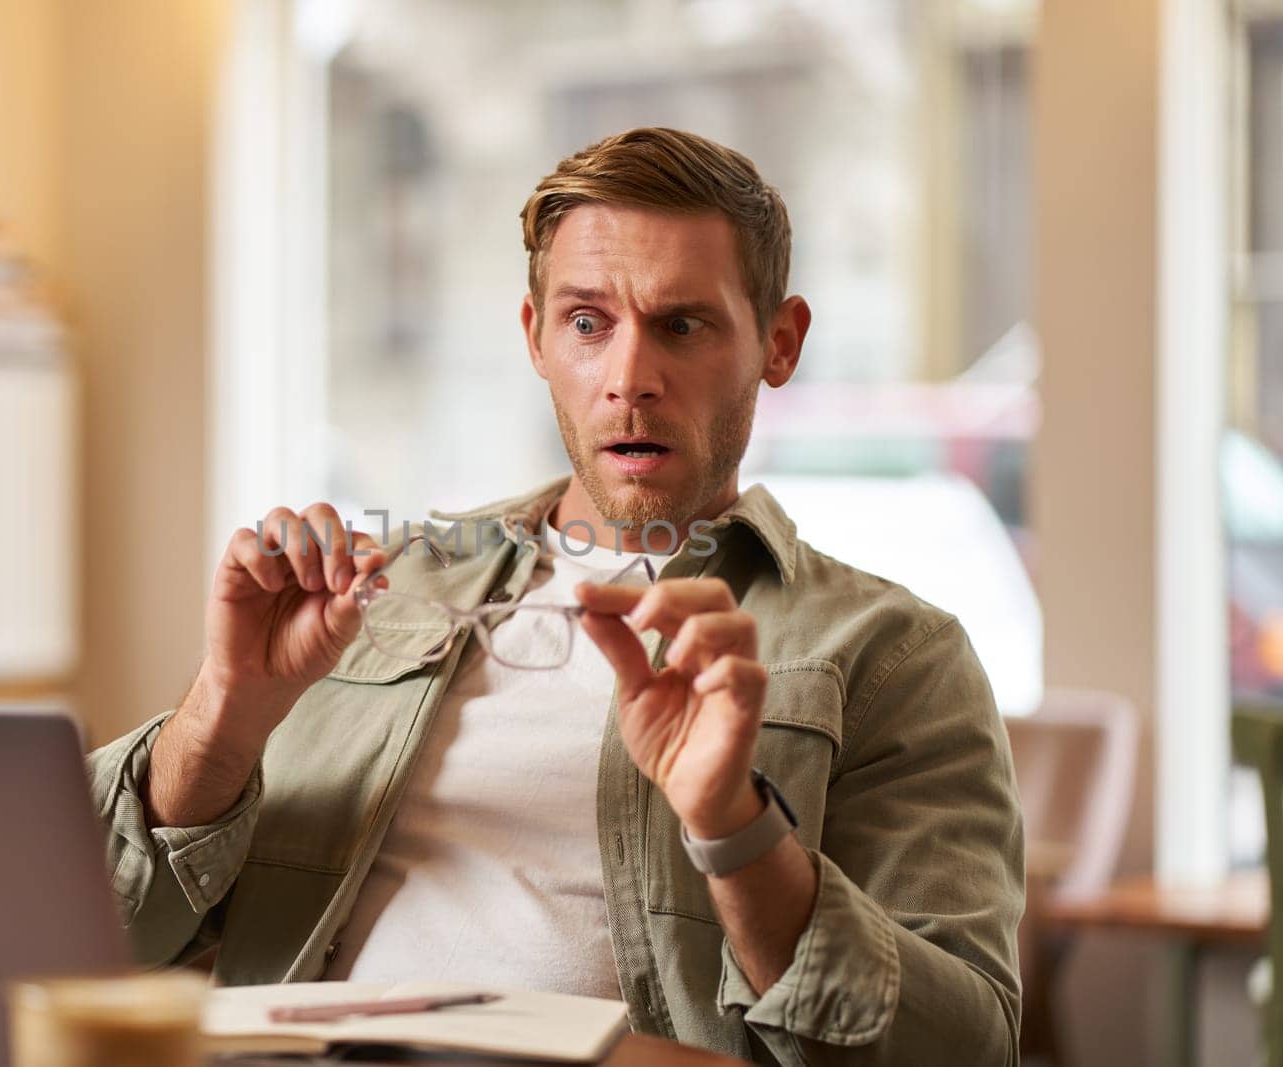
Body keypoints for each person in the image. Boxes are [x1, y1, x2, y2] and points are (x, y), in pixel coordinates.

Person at [87, 127, 1023, 1066]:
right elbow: (84, 930)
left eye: (681, 325)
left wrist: (736, 828)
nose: (629, 380)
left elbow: (963, 1045)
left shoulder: (893, 652)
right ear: (536, 338)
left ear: (778, 344)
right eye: (588, 323)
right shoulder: (373, 585)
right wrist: (222, 715)